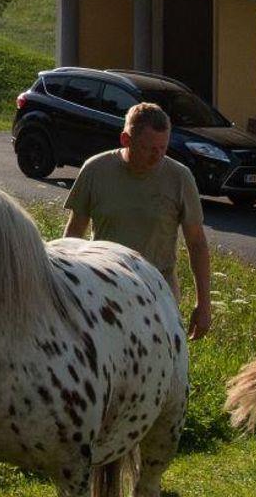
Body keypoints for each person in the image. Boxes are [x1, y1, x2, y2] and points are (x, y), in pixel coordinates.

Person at [63, 102, 214, 340]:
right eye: (148, 148)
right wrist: (65, 287)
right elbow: (73, 234)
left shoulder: (180, 178)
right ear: (126, 139)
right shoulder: (95, 170)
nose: (157, 156)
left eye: (163, 147)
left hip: (158, 295)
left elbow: (197, 243)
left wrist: (204, 304)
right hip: (103, 291)